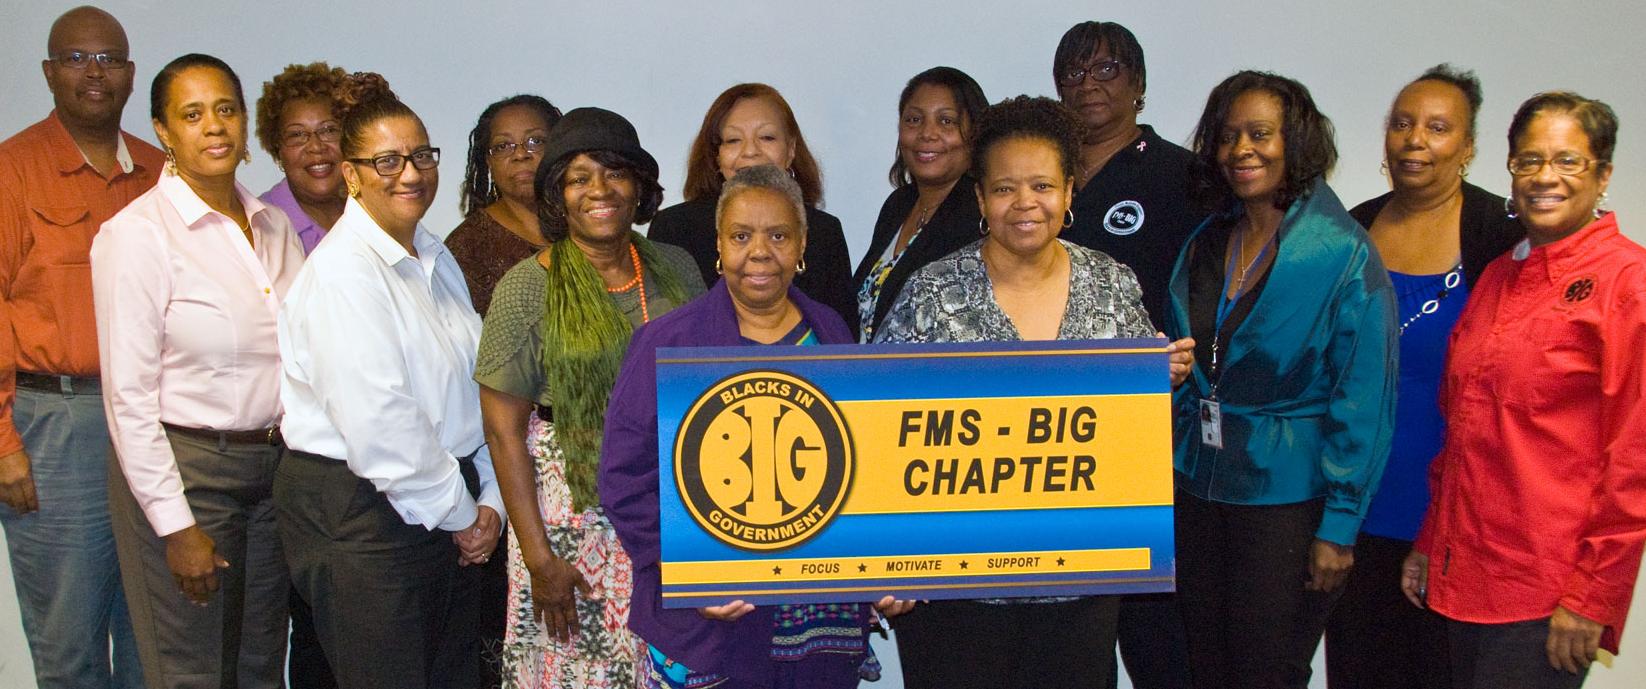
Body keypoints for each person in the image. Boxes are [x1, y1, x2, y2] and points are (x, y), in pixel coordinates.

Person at [873, 96, 1193, 689]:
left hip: (1081, 591)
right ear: (980, 199)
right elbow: (880, 438)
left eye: (1043, 185)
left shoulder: (1111, 283)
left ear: (1069, 192)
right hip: (956, 594)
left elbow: (1132, 434)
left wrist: (1158, 376)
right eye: (1004, 188)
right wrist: (886, 559)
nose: (1025, 203)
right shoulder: (930, 294)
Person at [602, 164, 907, 689]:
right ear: (719, 246)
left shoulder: (831, 333)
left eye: (778, 236)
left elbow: (868, 468)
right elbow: (624, 480)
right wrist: (689, 572)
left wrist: (890, 564)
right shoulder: (669, 344)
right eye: (741, 236)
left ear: (802, 246)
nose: (760, 252)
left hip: (822, 626)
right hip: (715, 624)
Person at [1403, 91, 1646, 689]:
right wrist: (1431, 541)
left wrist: (1592, 597)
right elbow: (1462, 429)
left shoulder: (1628, 283)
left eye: (1568, 161)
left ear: (1604, 174)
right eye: (1529, 160)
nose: (1545, 177)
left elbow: (1634, 460)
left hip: (1547, 594)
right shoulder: (1498, 275)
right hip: (1464, 574)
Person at [1165, 71, 1397, 689]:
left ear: (1295, 142)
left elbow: (1364, 397)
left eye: (1260, 134)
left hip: (1288, 502)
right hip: (1197, 489)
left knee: (1266, 673)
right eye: (1228, 136)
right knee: (1205, 667)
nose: (1241, 150)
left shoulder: (1341, 251)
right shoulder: (1207, 239)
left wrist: (1340, 527)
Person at [275, 73, 505, 689]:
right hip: (362, 514)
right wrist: (464, 515)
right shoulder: (343, 275)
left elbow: (476, 388)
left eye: (422, 155)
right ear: (351, 175)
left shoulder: (434, 255)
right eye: (387, 161)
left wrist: (490, 499)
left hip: (445, 498)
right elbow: (382, 424)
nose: (411, 173)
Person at [91, 53, 304, 689]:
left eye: (226, 109)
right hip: (188, 475)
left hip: (273, 472)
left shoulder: (274, 226)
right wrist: (176, 526)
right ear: (163, 130)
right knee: (193, 671)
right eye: (192, 114)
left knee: (261, 666)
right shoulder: (137, 235)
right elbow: (128, 400)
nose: (214, 126)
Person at [474, 106, 703, 688]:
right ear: (558, 195)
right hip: (572, 526)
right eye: (579, 178)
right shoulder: (527, 287)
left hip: (673, 509)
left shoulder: (677, 268)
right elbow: (502, 432)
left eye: (614, 173)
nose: (599, 190)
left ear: (639, 187)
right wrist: (539, 559)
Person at [1324, 64, 1522, 689]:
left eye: (1438, 128)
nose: (1415, 140)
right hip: (1353, 514)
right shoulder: (1351, 229)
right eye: (1403, 123)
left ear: (1468, 147)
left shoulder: (1500, 235)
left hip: (1453, 519)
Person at [0, 6, 156, 688]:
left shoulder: (160, 171)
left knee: (154, 639)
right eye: (76, 58)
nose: (95, 73)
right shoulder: (13, 170)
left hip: (156, 425)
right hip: (57, 425)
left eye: (109, 59)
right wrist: (3, 444)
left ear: (130, 74)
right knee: (73, 647)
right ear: (48, 72)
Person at [1050, 21, 1201, 688]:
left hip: (1146, 434)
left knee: (1153, 634)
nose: (1088, 84)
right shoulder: (1043, 174)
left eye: (1106, 69)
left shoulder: (1181, 176)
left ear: (1138, 84)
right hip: (1051, 438)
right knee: (1073, 634)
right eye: (1074, 72)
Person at [649, 83, 856, 331]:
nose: (750, 151)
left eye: (767, 137)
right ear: (716, 155)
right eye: (733, 140)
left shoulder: (825, 231)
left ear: (791, 150)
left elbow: (843, 338)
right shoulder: (674, 228)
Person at [850, 66, 987, 342]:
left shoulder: (981, 215)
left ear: (975, 134)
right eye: (914, 120)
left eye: (946, 121)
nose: (927, 133)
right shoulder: (898, 205)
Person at [448, 95, 563, 315]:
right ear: (489, 161)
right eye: (502, 146)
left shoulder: (587, 224)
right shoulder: (467, 247)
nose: (520, 154)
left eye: (536, 141)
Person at [255, 62, 349, 256]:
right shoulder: (260, 226)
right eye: (297, 134)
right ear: (277, 147)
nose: (316, 147)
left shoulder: (374, 209)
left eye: (329, 130)